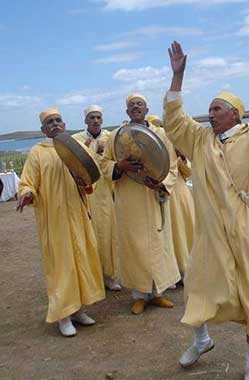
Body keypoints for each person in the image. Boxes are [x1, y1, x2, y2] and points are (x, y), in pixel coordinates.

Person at [164, 41, 249, 380]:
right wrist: (178, 77)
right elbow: (174, 123)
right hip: (210, 233)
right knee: (199, 285)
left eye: (217, 109)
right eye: (210, 110)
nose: (211, 114)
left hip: (248, 231)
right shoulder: (200, 140)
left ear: (235, 112)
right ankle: (201, 340)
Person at [17, 108, 105, 337]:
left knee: (81, 261)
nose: (55, 124)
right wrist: (27, 193)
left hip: (77, 216)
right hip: (54, 220)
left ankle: (78, 310)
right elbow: (27, 181)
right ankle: (63, 315)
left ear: (64, 125)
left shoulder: (77, 149)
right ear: (43, 129)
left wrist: (84, 183)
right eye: (50, 122)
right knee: (62, 266)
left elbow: (91, 183)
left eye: (58, 120)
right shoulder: (37, 152)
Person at [101, 93, 180, 315]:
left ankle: (157, 294)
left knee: (158, 243)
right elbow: (104, 163)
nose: (135, 107)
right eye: (131, 105)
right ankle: (138, 295)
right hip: (130, 199)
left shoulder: (161, 134)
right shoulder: (116, 136)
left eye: (140, 104)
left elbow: (171, 164)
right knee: (134, 246)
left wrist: (162, 183)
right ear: (127, 112)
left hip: (154, 196)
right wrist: (121, 166)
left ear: (146, 109)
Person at [72, 105, 121, 291]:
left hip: (107, 193)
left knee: (109, 234)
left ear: (102, 120)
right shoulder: (76, 140)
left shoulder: (109, 137)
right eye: (91, 117)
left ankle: (109, 275)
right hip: (86, 194)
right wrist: (89, 147)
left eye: (98, 117)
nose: (95, 120)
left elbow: (116, 159)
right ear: (85, 120)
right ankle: (93, 277)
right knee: (89, 235)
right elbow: (72, 160)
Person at [148, 114, 195, 280]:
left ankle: (186, 269)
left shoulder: (174, 144)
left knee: (184, 231)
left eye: (161, 126)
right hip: (159, 194)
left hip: (179, 194)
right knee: (167, 234)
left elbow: (188, 172)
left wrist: (181, 156)